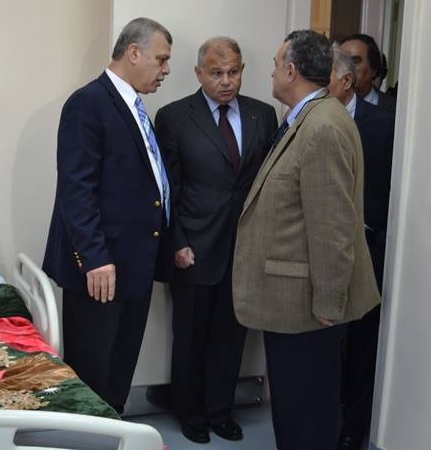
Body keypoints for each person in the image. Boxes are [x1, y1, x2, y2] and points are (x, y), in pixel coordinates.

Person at [232, 30, 381, 450]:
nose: (272, 72)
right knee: (294, 413)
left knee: (307, 418)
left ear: (292, 70)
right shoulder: (307, 117)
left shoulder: (322, 127)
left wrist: (329, 302)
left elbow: (333, 226)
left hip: (310, 310)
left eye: (276, 64)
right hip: (292, 303)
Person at [42, 17, 174, 415]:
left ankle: (114, 433)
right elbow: (76, 189)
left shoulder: (134, 106)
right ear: (134, 53)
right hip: (101, 270)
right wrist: (95, 258)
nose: (166, 69)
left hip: (134, 263)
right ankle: (89, 438)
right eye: (161, 59)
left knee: (119, 370)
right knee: (93, 374)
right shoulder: (89, 103)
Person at [154, 37, 277, 444]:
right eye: (217, 73)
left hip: (244, 248)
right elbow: (168, 187)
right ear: (199, 73)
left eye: (234, 72)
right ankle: (190, 413)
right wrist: (176, 242)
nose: (227, 81)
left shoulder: (262, 114)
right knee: (191, 338)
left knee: (231, 338)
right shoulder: (175, 117)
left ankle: (220, 412)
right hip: (194, 246)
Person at [328, 44, 395, 450]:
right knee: (326, 342)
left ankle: (353, 427)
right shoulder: (308, 119)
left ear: (346, 81)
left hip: (369, 249)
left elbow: (390, 188)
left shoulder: (383, 125)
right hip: (325, 249)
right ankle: (325, 419)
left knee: (361, 344)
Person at [340, 34, 396, 112]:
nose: (346, 67)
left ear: (373, 69)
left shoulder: (394, 109)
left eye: (355, 62)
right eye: (341, 62)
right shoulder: (327, 105)